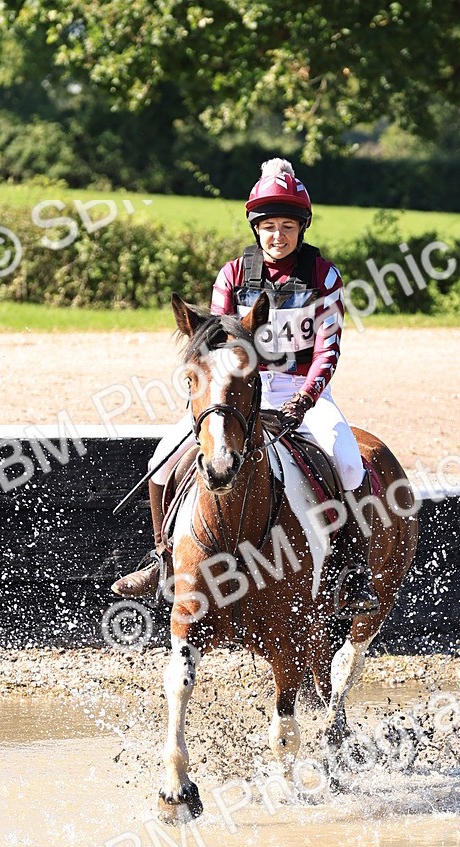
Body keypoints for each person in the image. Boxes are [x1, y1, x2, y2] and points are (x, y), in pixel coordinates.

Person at [112, 157, 380, 615]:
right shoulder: (232, 275)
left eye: (288, 226)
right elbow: (215, 346)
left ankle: (349, 569)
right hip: (237, 393)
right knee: (161, 460)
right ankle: (161, 559)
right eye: (269, 226)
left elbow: (327, 352)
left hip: (301, 389)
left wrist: (304, 400)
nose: (278, 236)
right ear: (257, 228)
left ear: (302, 227)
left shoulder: (324, 276)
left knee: (349, 461)